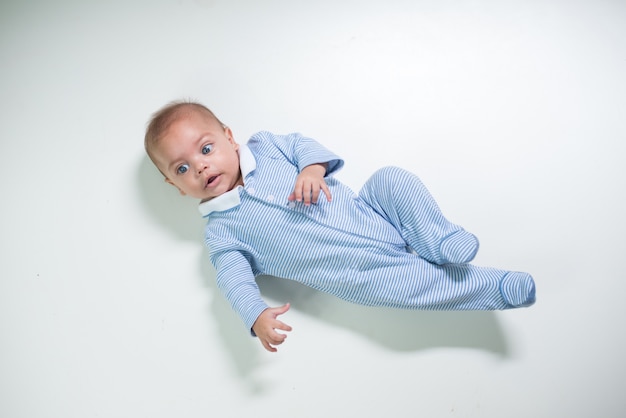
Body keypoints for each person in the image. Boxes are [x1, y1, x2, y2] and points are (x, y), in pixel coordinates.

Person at [144, 100, 536, 352]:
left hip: (371, 212)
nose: (200, 166)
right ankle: (499, 287)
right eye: (182, 168)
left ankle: (440, 239)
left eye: (206, 148)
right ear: (174, 186)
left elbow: (302, 146)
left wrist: (312, 169)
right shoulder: (221, 232)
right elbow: (234, 279)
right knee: (425, 286)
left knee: (392, 179)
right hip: (358, 274)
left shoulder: (266, 147)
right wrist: (254, 316)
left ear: (230, 138)